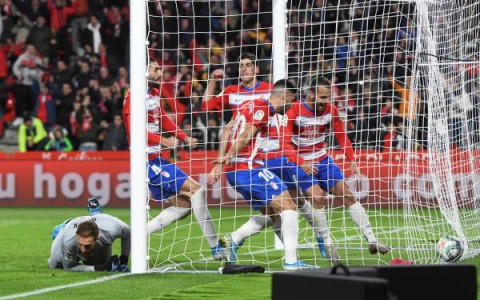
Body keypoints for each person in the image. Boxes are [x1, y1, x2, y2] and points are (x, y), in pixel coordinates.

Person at [122, 58, 224, 261]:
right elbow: (134, 130)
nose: (161, 73)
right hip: (146, 161)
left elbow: (164, 120)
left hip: (156, 159)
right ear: (144, 72)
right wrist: (164, 141)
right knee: (197, 191)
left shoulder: (153, 93)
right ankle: (216, 247)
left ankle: (135, 235)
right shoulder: (133, 96)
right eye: (156, 69)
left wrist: (183, 136)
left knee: (185, 205)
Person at [208, 79, 312, 271]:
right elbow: (247, 133)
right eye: (291, 101)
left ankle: (234, 239)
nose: (290, 106)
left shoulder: (247, 104)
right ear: (284, 96)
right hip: (248, 168)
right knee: (289, 205)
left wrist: (221, 162)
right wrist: (229, 155)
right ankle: (291, 262)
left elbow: (226, 130)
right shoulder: (263, 108)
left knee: (272, 213)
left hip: (234, 172)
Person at [280, 76, 390, 255]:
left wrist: (352, 160)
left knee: (347, 195)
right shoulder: (294, 110)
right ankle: (327, 243)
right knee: (318, 198)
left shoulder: (331, 110)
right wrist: (301, 162)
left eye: (329, 97)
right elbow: (284, 144)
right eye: (323, 98)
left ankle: (372, 240)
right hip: (300, 163)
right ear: (312, 94)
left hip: (323, 160)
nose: (327, 101)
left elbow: (341, 136)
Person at [48, 199, 131, 272]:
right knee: (54, 264)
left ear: (97, 239)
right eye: (80, 244)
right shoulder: (68, 239)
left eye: (87, 246)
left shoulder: (112, 228)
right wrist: (100, 268)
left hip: (101, 222)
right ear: (77, 237)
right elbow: (69, 267)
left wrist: (123, 260)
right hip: (70, 227)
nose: (83, 250)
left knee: (98, 262)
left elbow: (128, 233)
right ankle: (61, 228)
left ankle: (96, 213)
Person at [202, 52, 272, 123]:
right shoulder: (231, 91)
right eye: (241, 66)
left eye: (248, 65)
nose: (243, 69)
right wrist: (213, 79)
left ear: (256, 69)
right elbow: (206, 106)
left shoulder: (270, 88)